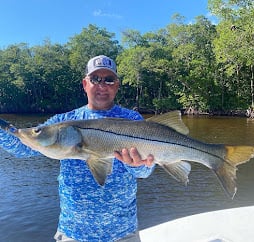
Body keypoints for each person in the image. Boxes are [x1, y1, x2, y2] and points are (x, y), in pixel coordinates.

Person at [0, 55, 155, 242]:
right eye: (95, 79)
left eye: (109, 79)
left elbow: (145, 171)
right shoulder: (62, 121)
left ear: (117, 85)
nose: (102, 85)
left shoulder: (133, 120)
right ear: (84, 84)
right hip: (74, 234)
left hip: (122, 234)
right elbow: (21, 147)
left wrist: (138, 165)